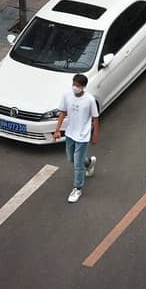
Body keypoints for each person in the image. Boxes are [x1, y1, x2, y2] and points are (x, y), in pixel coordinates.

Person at [54, 74, 99, 202]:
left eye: (78, 86)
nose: (75, 87)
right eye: (74, 84)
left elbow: (95, 118)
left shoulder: (90, 100)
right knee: (71, 158)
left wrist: (95, 134)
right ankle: (89, 163)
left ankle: (77, 188)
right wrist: (57, 130)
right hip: (70, 133)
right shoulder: (67, 96)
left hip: (83, 136)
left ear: (83, 87)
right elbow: (63, 112)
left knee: (77, 165)